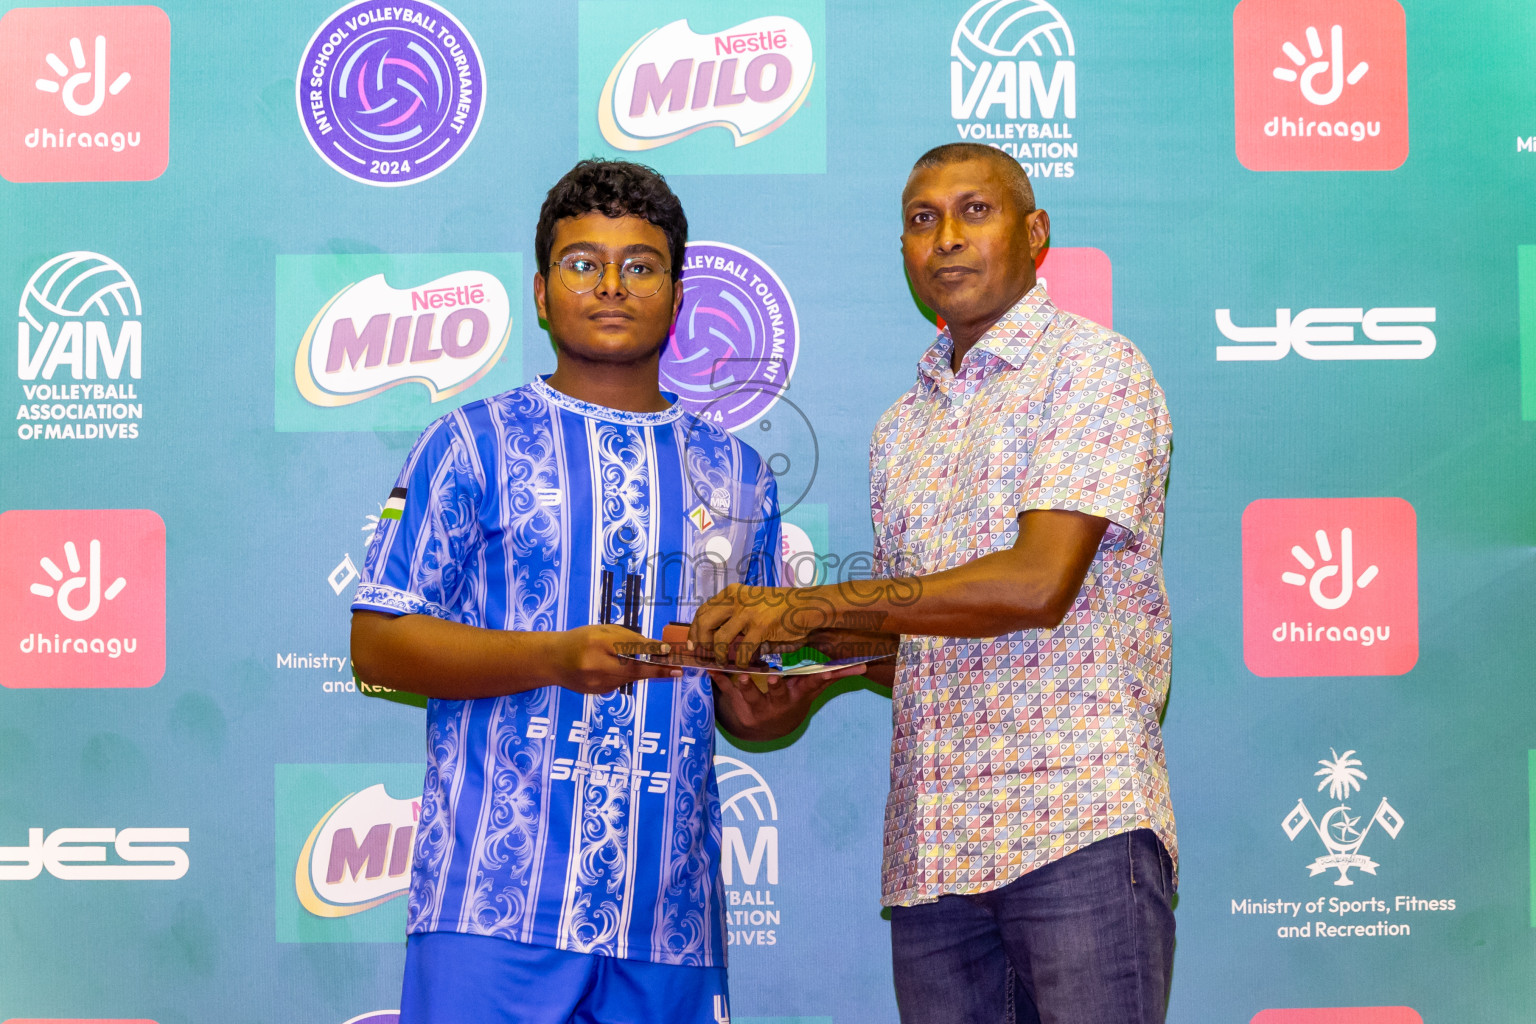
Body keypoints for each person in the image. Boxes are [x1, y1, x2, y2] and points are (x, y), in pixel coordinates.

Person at [350, 158, 856, 1024]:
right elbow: (379, 644)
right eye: (584, 263)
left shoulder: (736, 475)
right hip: (491, 908)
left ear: (678, 293)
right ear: (543, 293)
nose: (612, 285)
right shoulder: (471, 444)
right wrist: (554, 654)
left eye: (641, 264)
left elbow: (743, 693)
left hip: (671, 919)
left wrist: (771, 708)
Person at [688, 141, 1177, 1024]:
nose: (945, 237)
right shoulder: (901, 428)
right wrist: (805, 674)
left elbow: (1035, 586)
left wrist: (805, 606)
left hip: (1078, 829)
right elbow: (921, 632)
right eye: (922, 220)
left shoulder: (1095, 370)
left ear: (1036, 235)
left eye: (973, 212)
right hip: (934, 855)